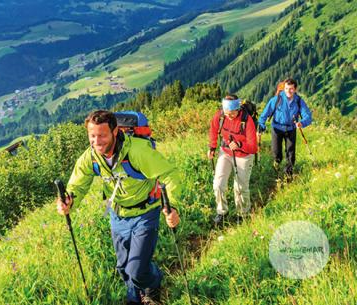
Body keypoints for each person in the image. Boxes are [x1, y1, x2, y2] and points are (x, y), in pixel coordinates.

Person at [56, 110, 181, 305]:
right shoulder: (91, 157)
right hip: (118, 214)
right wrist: (69, 199)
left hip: (145, 213)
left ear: (115, 131)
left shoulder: (138, 152)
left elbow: (169, 175)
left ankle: (153, 283)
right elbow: (77, 184)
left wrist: (172, 207)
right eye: (92, 136)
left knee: (136, 270)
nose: (97, 141)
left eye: (102, 135)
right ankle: (135, 298)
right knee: (123, 267)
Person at [208, 95, 257, 225]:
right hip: (226, 152)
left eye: (233, 113)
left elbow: (253, 147)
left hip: (243, 156)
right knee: (218, 184)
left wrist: (240, 145)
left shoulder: (247, 121)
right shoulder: (220, 116)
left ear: (238, 109)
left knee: (240, 187)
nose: (229, 116)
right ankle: (222, 212)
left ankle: (242, 214)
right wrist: (212, 147)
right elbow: (213, 130)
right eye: (227, 113)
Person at [258, 78, 312, 178]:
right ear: (284, 88)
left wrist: (302, 123)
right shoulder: (276, 99)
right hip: (277, 129)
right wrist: (261, 125)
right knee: (276, 152)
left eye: (291, 89)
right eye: (286, 88)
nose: (288, 91)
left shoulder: (299, 101)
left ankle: (288, 175)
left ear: (295, 89)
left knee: (291, 153)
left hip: (291, 129)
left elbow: (308, 116)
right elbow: (265, 113)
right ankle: (276, 169)